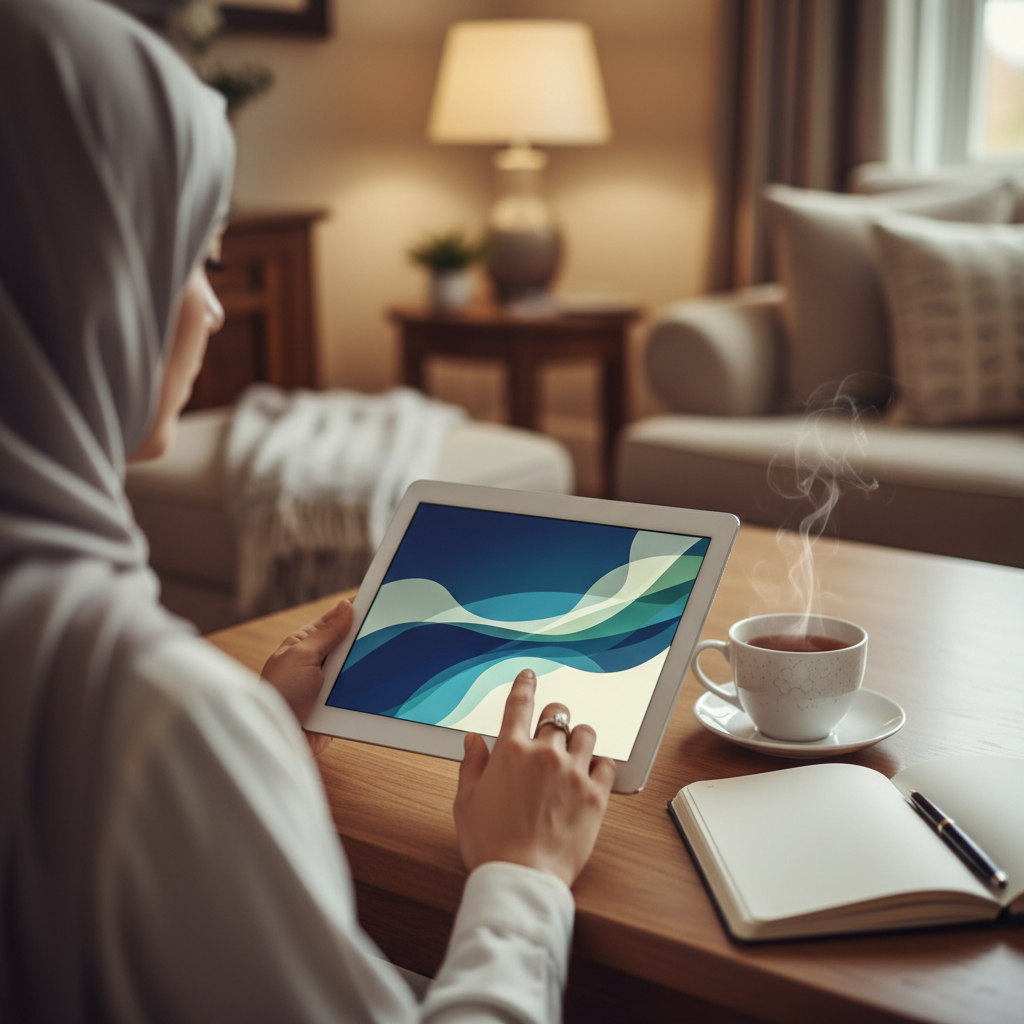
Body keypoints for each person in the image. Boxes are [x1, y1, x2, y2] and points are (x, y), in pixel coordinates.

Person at [0, 1, 616, 1021]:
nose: (214, 308)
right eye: (195, 259)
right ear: (95, 288)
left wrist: (258, 739)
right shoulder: (153, 717)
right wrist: (523, 873)